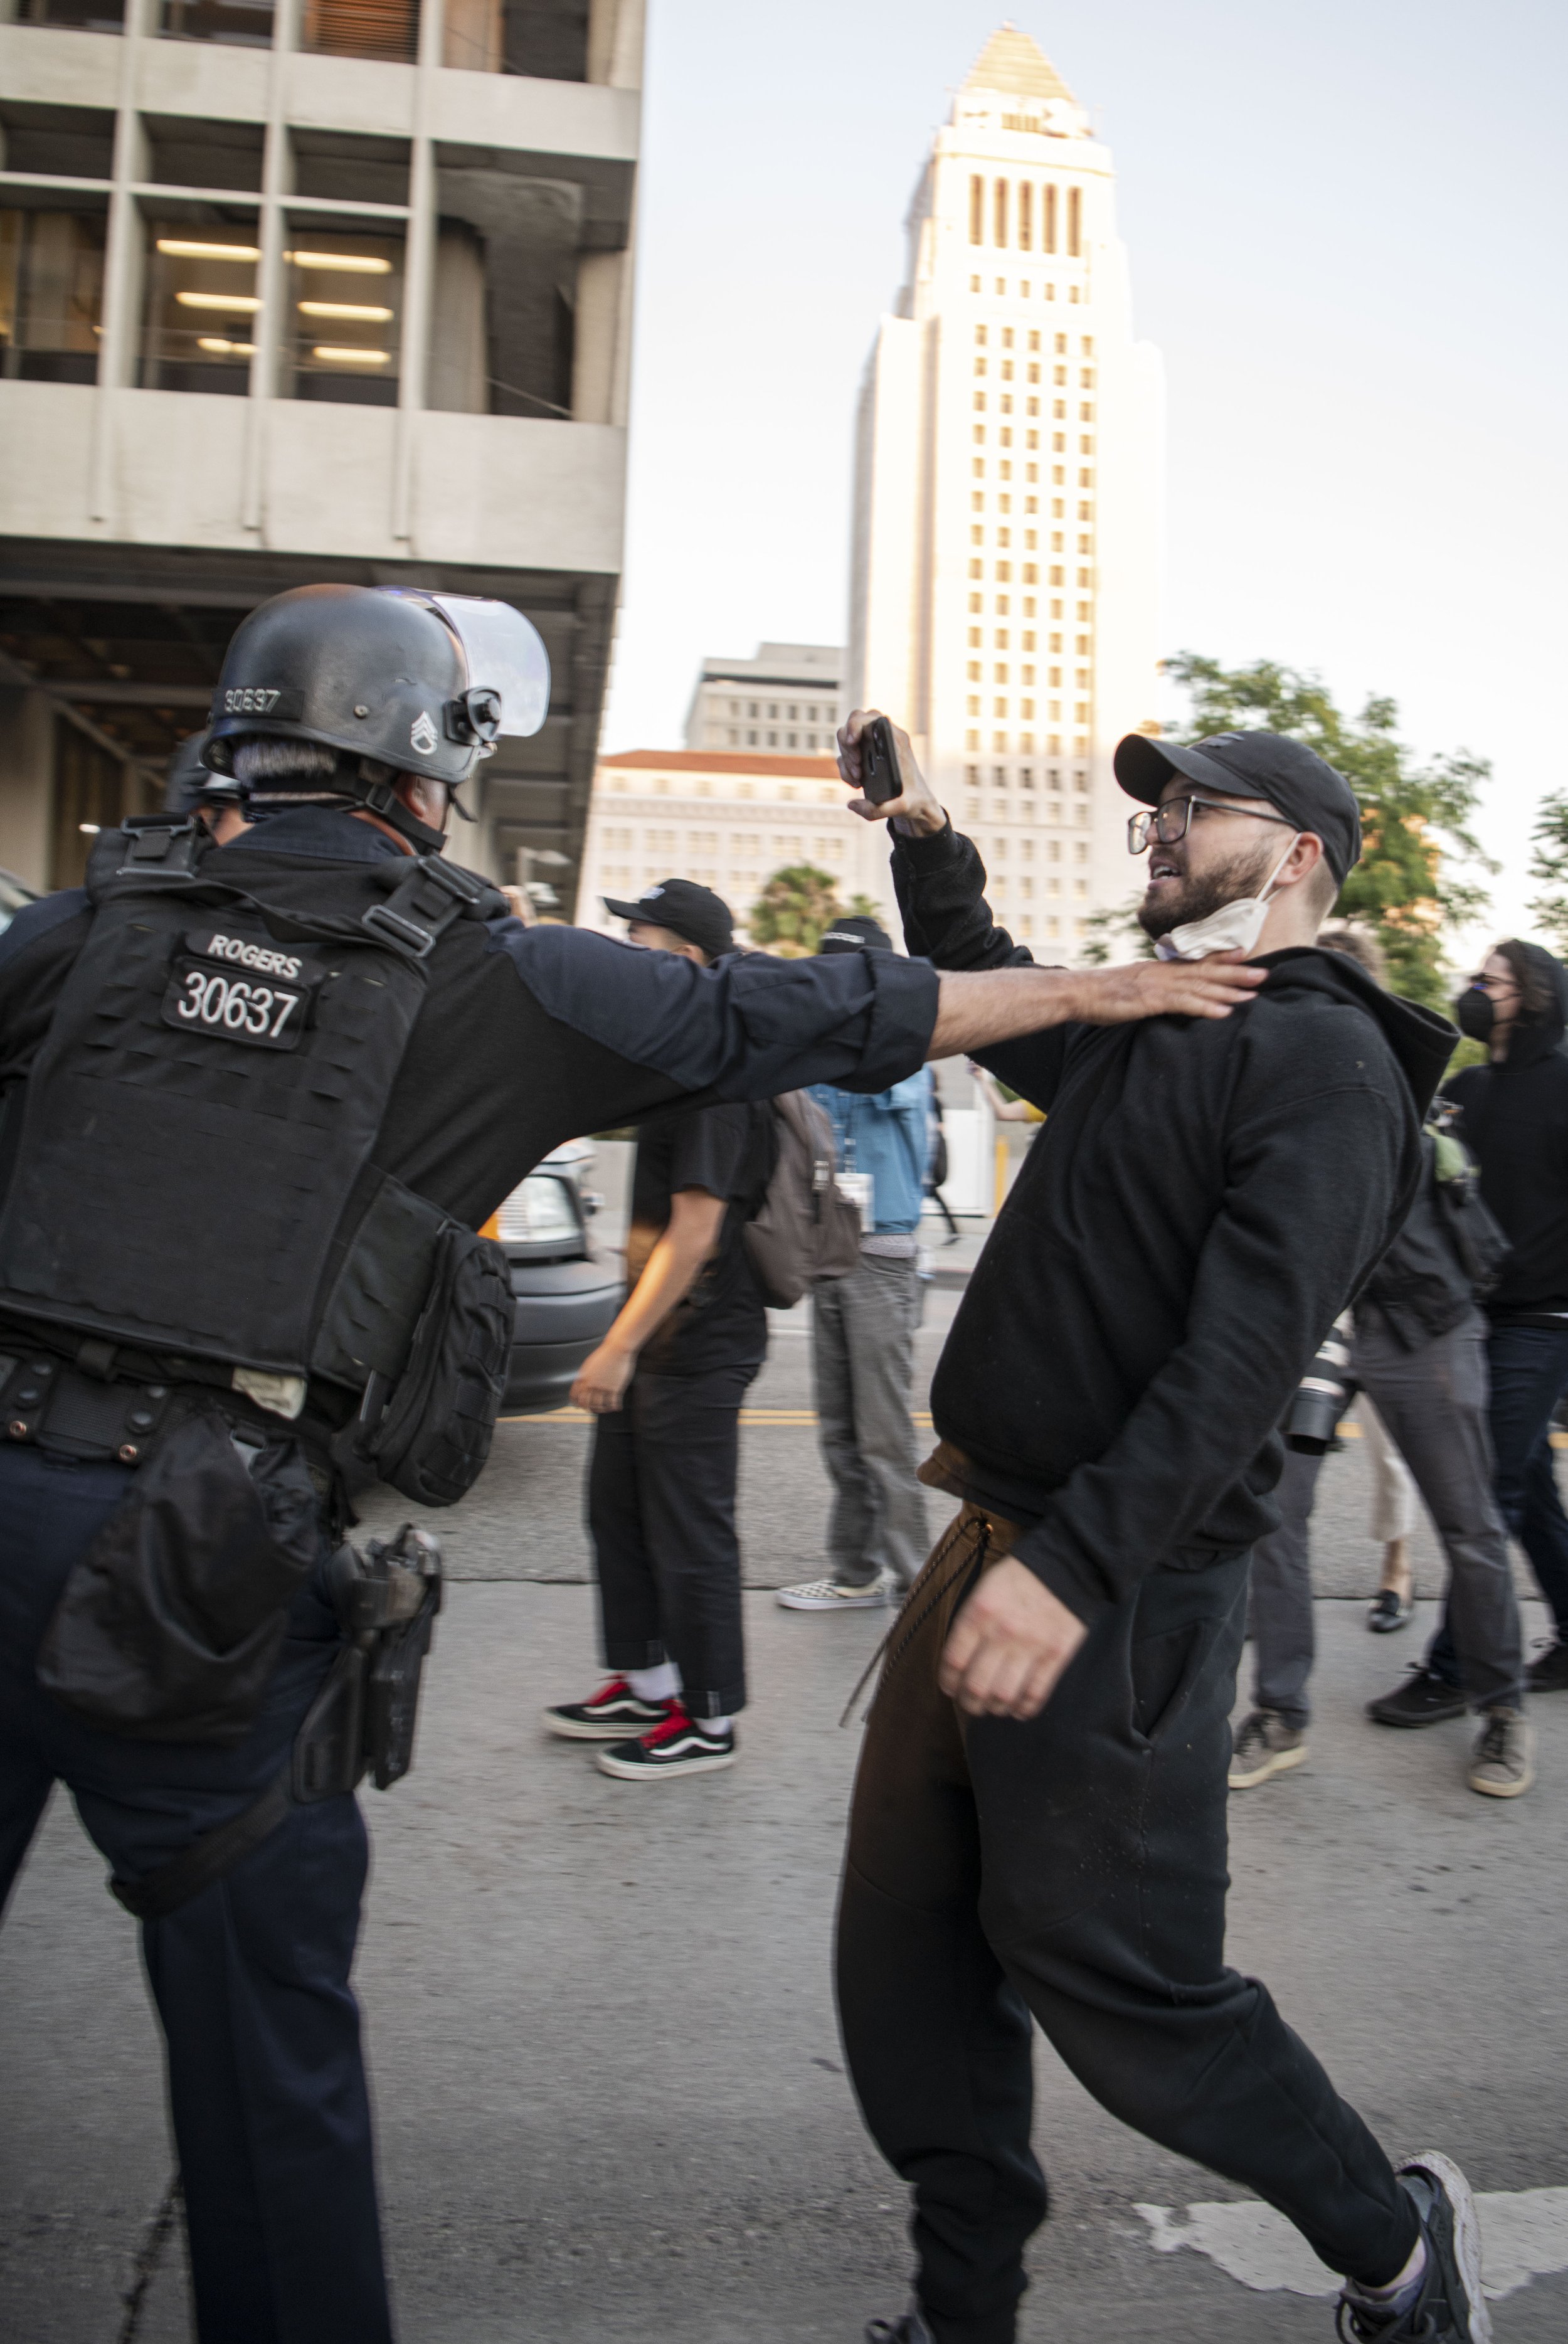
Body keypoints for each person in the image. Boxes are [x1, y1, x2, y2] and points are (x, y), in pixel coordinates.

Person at [0, 584, 1264, 2344]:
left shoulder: (81, 934)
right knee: (266, 2071)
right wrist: (1105, 988)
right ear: (423, 775)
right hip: (197, 1575)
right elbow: (812, 1016)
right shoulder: (493, 975)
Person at [833, 709, 1490, 2344]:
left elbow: (1238, 1368)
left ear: (1301, 855)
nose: (1160, 828)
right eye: (1158, 807)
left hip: (1113, 1593)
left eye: (1198, 808)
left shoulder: (1328, 1062)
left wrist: (1070, 1573)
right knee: (906, 1967)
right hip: (990, 1548)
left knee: (1125, 1990)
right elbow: (988, 984)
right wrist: (920, 832)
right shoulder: (1151, 1013)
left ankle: (1397, 2252)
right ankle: (959, 2310)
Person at [1231, 923, 1528, 1798]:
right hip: (1323, 1324)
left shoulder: (1396, 1065)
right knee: (1275, 1516)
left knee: (1468, 1523)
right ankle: (1280, 1710)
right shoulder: (1279, 1067)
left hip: (1420, 1320)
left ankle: (1502, 1707)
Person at [545, 881, 772, 1779]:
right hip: (655, 1330)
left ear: (685, 961)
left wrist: (616, 1346)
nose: (625, 964)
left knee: (689, 1526)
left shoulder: (719, 1073)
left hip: (699, 1337)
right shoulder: (677, 1062)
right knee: (619, 1510)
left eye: (638, 947)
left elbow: (697, 1232)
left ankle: (709, 1718)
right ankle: (647, 1680)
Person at [776, 915, 931, 1613]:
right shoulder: (821, 1049)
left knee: (883, 1434)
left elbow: (878, 1083)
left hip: (882, 1258)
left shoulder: (902, 1046)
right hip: (830, 1254)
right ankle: (855, 1573)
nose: (837, 987)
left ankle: (917, 1583)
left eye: (850, 973)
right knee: (840, 1430)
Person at [1430, 941, 1568, 1695]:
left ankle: (1458, 1668)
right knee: (1530, 1484)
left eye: (1489, 980)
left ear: (1536, 995)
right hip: (1472, 1315)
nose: (1473, 990)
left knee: (1488, 1491)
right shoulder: (1468, 1089)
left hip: (1545, 1321)